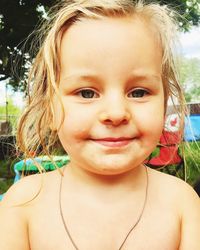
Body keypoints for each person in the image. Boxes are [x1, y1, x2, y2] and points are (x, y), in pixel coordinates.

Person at [0, 0, 199, 249]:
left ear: (163, 103)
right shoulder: (23, 204)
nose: (116, 113)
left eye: (138, 92)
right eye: (86, 93)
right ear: (50, 109)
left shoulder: (183, 205)